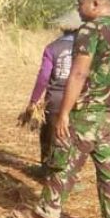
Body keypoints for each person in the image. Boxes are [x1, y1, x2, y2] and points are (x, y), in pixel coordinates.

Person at [11, 0, 110, 218]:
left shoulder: (90, 30)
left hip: (87, 113)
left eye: (80, 3)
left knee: (64, 163)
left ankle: (44, 214)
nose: (78, 9)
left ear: (95, 3)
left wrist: (64, 113)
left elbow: (79, 73)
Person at [23, 10, 82, 175]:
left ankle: (48, 171)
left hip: (55, 99)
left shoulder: (52, 48)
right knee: (71, 137)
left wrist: (34, 101)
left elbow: (43, 77)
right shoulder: (85, 49)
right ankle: (69, 175)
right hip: (77, 99)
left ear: (63, 28)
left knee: (49, 135)